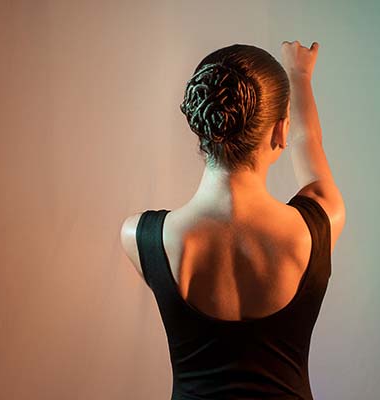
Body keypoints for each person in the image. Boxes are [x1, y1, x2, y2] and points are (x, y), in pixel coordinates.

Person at [120, 40, 346, 399]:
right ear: (280, 130)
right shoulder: (319, 226)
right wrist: (300, 76)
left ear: (202, 127)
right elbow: (310, 140)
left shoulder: (141, 236)